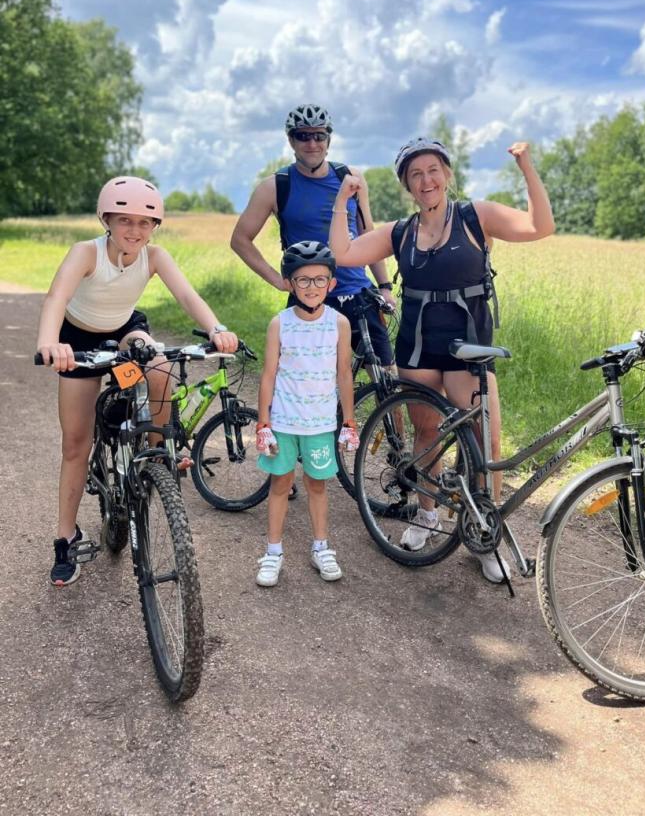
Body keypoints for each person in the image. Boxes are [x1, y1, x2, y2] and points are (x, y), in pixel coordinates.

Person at [329, 138, 555, 583]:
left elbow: (539, 226)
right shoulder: (400, 232)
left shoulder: (475, 216)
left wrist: (526, 166)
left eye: (433, 170)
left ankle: (483, 533)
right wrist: (342, 201)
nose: (426, 180)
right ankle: (427, 514)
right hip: (418, 346)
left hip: (469, 345)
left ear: (447, 174)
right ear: (407, 186)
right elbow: (344, 253)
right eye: (415, 174)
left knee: (486, 442)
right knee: (426, 433)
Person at [36, 175, 239, 587]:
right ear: (106, 220)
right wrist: (50, 343)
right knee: (75, 444)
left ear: (155, 227)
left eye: (145, 223)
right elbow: (57, 297)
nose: (135, 230)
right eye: (124, 220)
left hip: (125, 330)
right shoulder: (86, 253)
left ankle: (155, 454)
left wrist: (216, 328)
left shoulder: (155, 256)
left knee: (158, 364)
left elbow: (187, 296)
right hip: (78, 341)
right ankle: (66, 537)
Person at [230, 104, 395, 368]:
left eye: (319, 135)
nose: (312, 143)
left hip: (358, 294)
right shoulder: (275, 186)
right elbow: (240, 239)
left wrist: (384, 286)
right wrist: (278, 280)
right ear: (291, 140)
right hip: (308, 298)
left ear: (328, 139)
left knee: (386, 376)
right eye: (303, 136)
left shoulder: (351, 178)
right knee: (308, 381)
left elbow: (368, 235)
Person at [254, 241, 359, 588]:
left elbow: (344, 373)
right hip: (284, 422)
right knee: (280, 484)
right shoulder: (279, 324)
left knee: (317, 485)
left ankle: (321, 547)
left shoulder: (339, 323)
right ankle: (273, 551)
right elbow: (268, 375)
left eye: (319, 279)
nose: (311, 287)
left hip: (320, 423)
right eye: (303, 280)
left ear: (331, 283)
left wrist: (349, 420)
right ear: (289, 283)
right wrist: (263, 422)